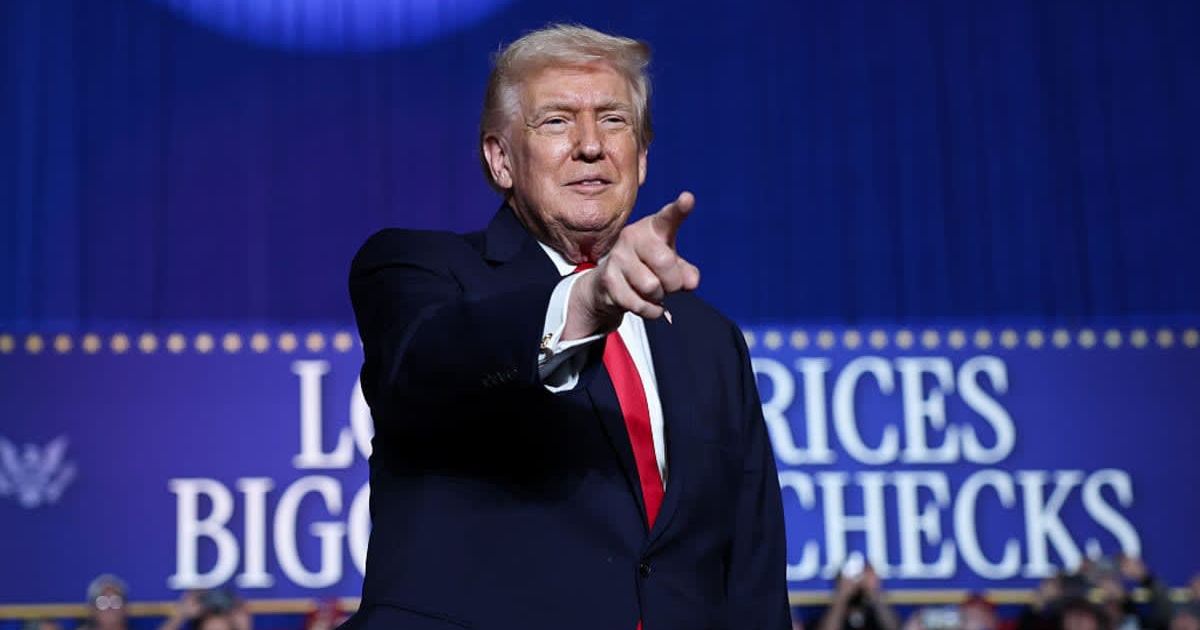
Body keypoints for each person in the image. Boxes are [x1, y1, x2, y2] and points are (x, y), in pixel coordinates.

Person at [341, 23, 789, 630]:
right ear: (500, 159)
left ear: (643, 156)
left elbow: (751, 565)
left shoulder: (710, 340)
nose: (590, 145)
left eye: (613, 121)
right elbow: (426, 364)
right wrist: (585, 301)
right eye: (555, 121)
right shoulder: (418, 270)